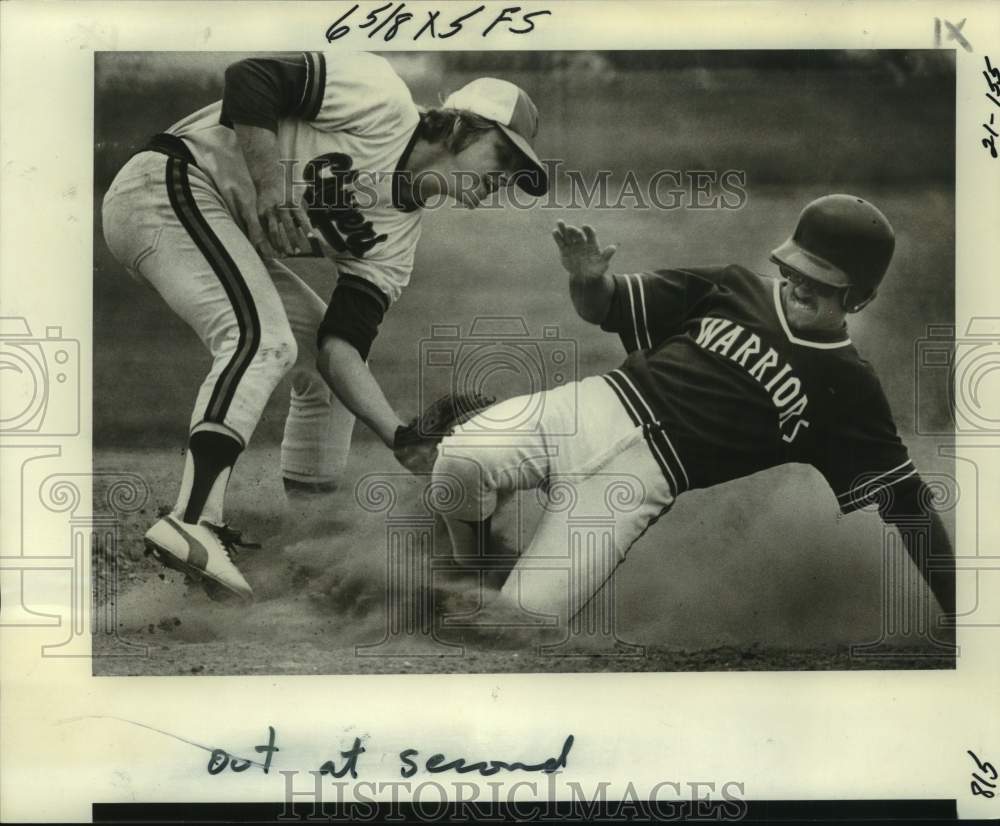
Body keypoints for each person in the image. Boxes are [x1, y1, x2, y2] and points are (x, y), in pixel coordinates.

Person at [102, 50, 548, 601]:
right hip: (164, 184)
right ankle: (192, 522)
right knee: (262, 339)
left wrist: (402, 440)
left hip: (213, 223)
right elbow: (251, 78)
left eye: (517, 177)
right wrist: (270, 186)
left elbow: (342, 349)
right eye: (503, 159)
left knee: (320, 366)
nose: (504, 182)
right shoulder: (378, 98)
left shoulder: (397, 241)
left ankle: (308, 550)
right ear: (462, 128)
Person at [430, 195, 955, 643]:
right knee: (458, 464)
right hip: (586, 408)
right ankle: (479, 569)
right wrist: (588, 280)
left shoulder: (851, 389)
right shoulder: (733, 286)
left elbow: (908, 504)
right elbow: (605, 306)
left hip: (634, 487)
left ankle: (493, 606)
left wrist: (961, 617)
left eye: (821, 278)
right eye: (796, 267)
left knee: (521, 627)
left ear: (860, 296)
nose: (799, 282)